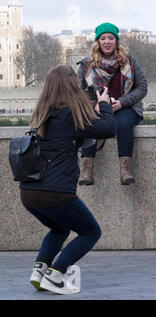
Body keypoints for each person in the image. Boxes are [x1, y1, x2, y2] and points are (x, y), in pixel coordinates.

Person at [21, 65, 117, 294]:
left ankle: (39, 270)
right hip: (56, 192)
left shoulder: (41, 115)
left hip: (28, 192)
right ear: (71, 86)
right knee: (91, 232)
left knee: (59, 229)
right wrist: (104, 104)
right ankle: (56, 274)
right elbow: (108, 128)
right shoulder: (71, 115)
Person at [77, 22, 148, 185]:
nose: (107, 41)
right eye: (103, 38)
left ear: (116, 41)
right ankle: (86, 171)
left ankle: (126, 170)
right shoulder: (86, 65)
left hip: (125, 107)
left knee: (123, 123)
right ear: (98, 42)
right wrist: (93, 105)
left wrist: (122, 102)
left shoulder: (129, 62)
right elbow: (77, 91)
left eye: (111, 38)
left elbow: (142, 87)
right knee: (89, 121)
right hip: (97, 108)